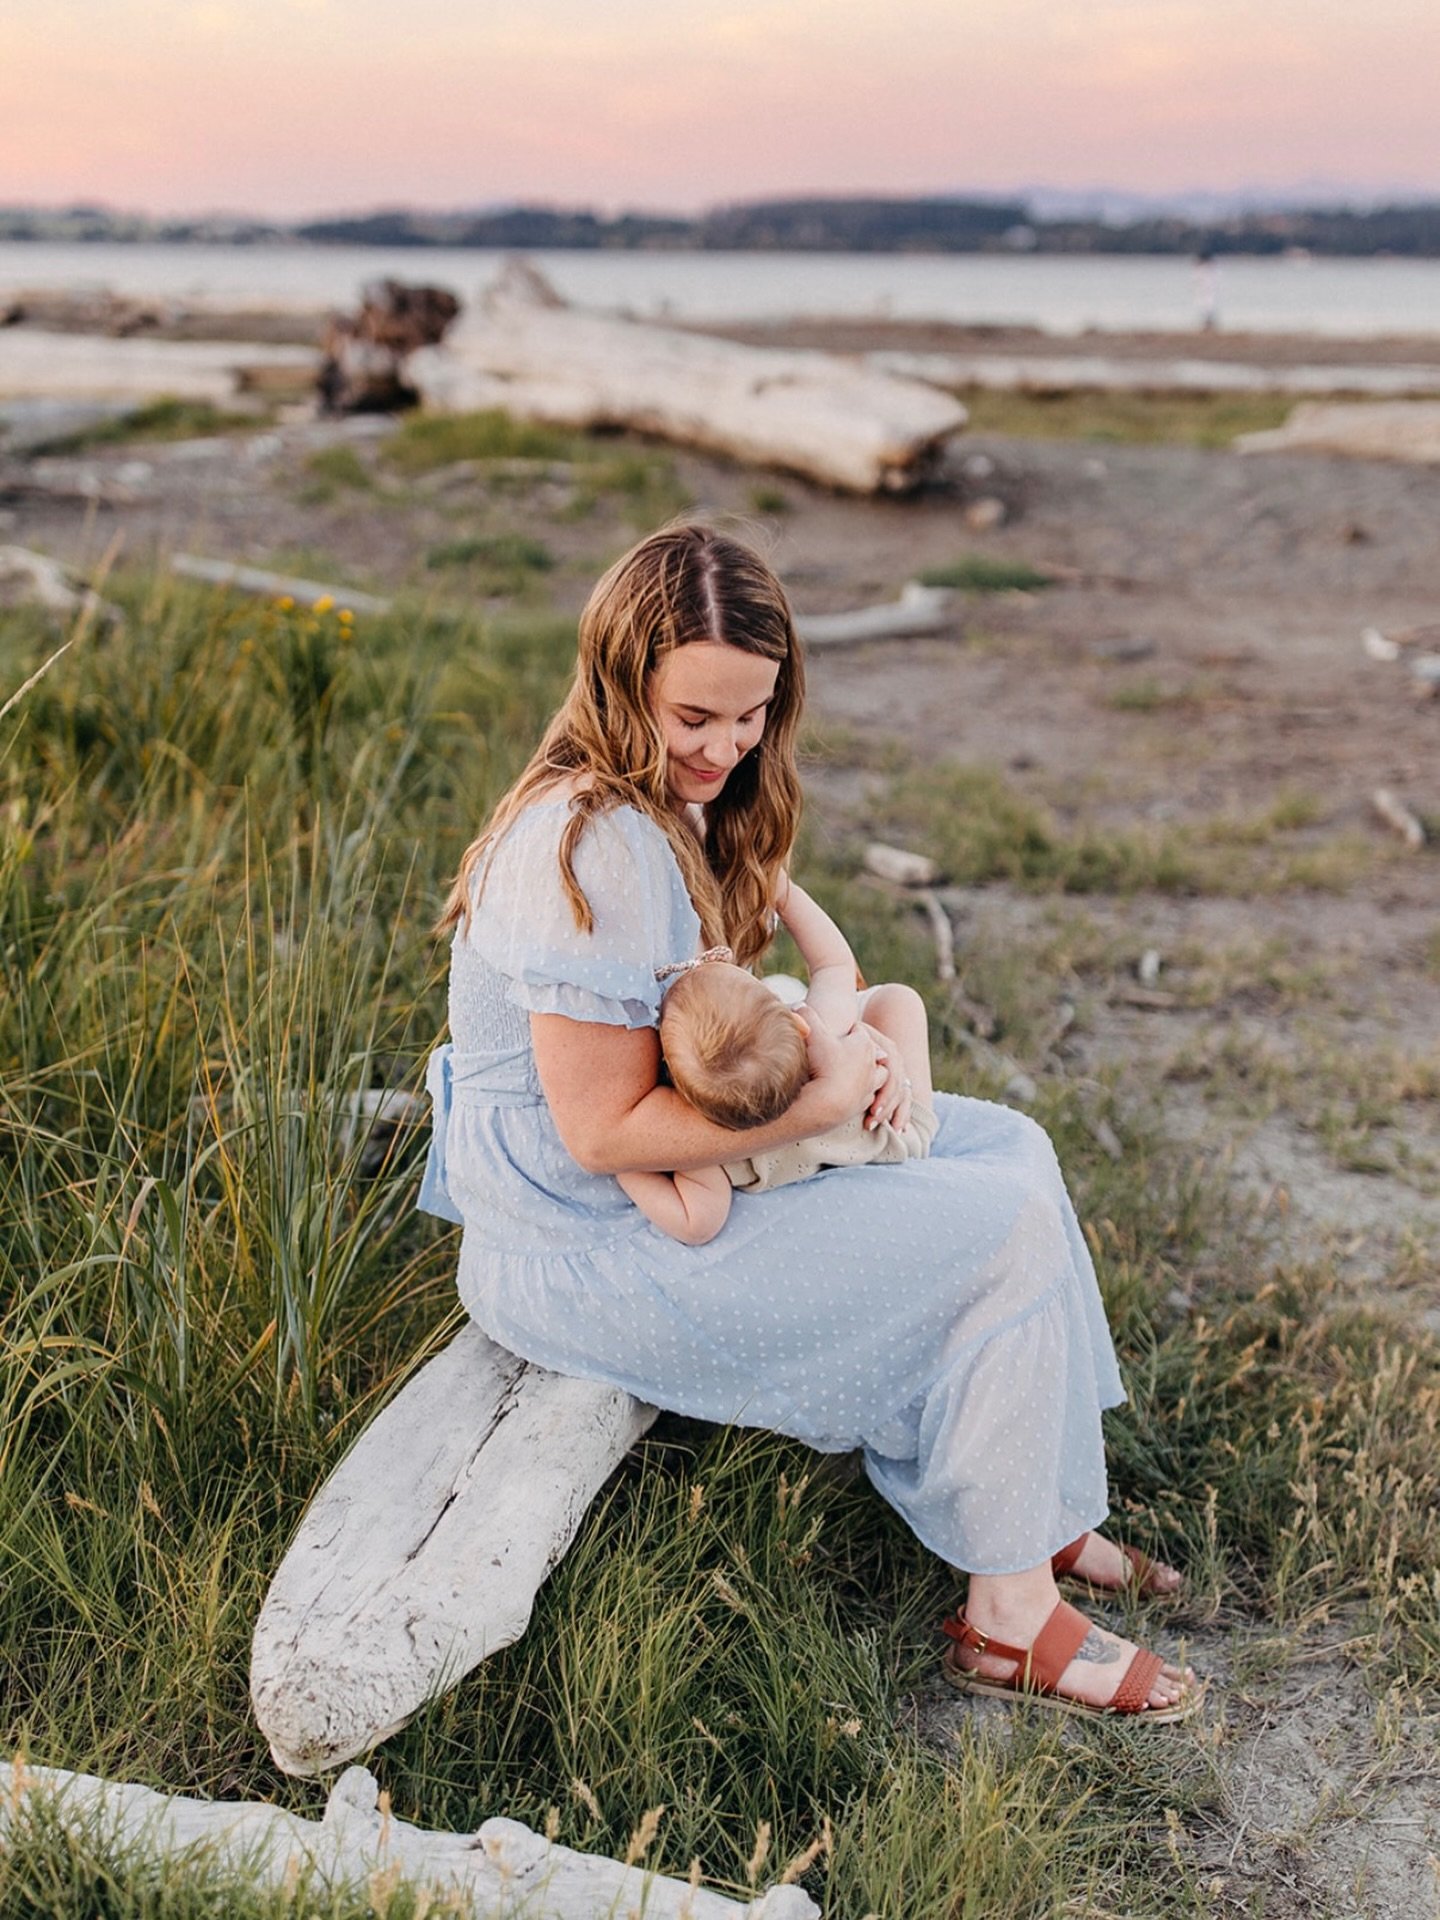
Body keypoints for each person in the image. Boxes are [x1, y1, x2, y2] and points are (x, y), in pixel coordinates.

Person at [420, 522, 1196, 1721]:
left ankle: (1034, 1515)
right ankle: (1006, 1624)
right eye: (696, 719)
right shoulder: (589, 847)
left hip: (659, 1187)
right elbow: (603, 1137)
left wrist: (845, 1060)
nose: (727, 748)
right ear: (623, 684)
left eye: (752, 717)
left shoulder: (670, 803)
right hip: (590, 1245)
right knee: (988, 1227)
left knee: (1015, 1156)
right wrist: (828, 1099)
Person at [620, 877, 938, 1245]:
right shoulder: (820, 1040)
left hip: (845, 1142)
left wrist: (627, 1168)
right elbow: (834, 964)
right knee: (900, 1002)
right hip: (898, 1134)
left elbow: (696, 1223)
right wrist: (783, 892)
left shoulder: (702, 1149)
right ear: (799, 1025)